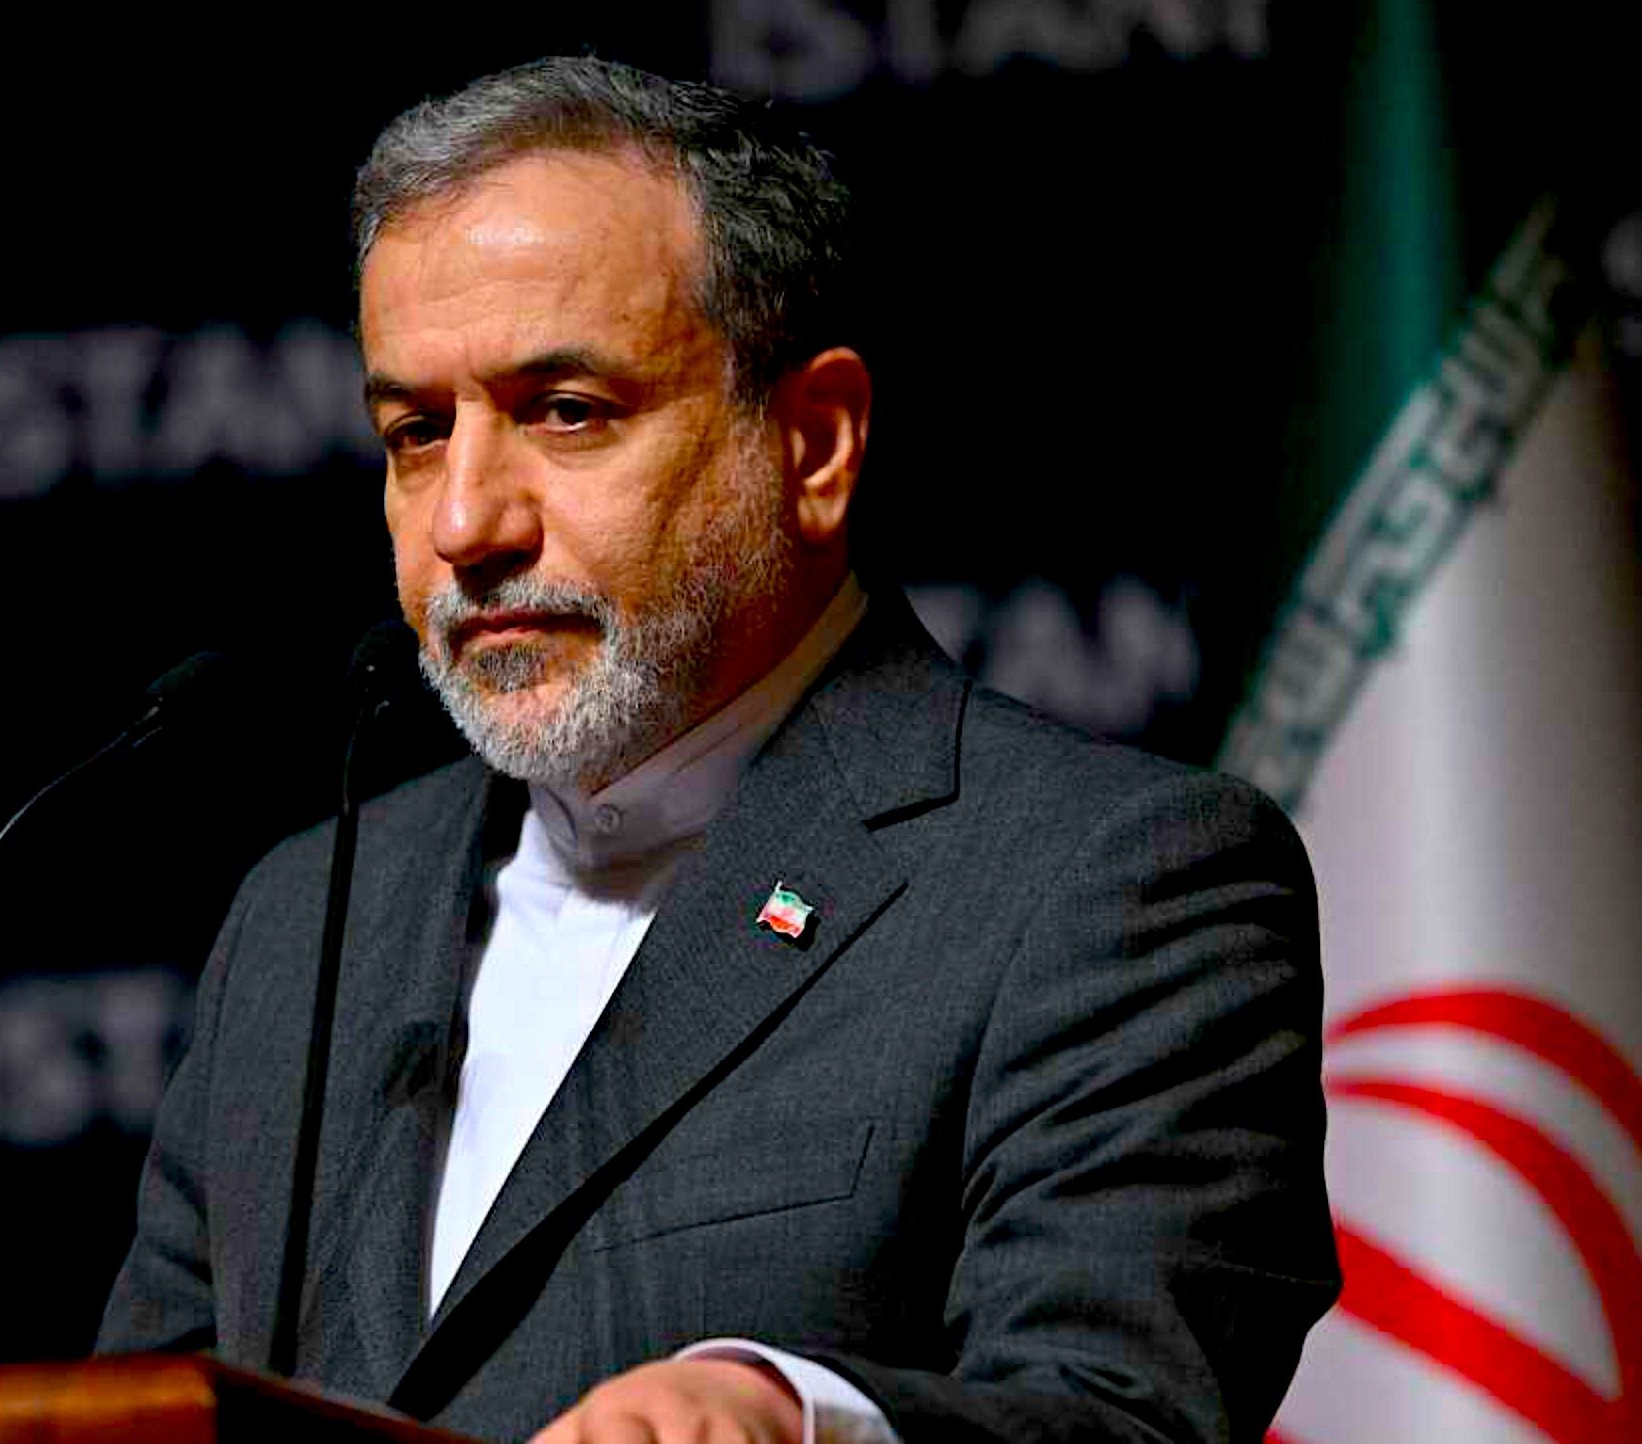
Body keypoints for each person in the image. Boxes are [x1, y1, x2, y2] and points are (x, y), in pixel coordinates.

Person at [101, 56, 1338, 1443]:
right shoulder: (303, 919)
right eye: (417, 432)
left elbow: (1125, 1414)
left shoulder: (1108, 883)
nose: (465, 524)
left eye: (566, 412)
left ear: (813, 445)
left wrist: (792, 1415)